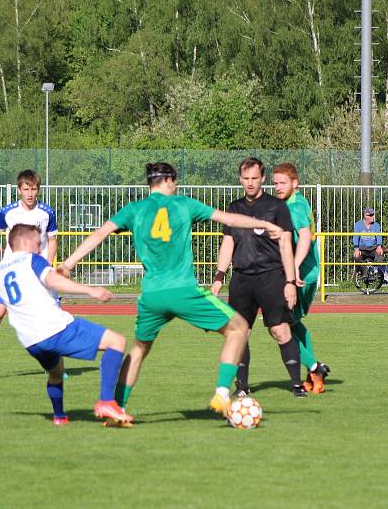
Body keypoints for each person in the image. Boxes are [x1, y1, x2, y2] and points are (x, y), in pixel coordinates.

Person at [59, 162, 285, 423]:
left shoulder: (134, 209)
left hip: (152, 296)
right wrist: (265, 224)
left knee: (140, 347)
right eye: (175, 182)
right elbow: (229, 218)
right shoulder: (184, 205)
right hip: (182, 290)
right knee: (239, 328)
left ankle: (116, 407)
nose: (176, 186)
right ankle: (222, 393)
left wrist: (69, 263)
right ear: (167, 180)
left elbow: (100, 233)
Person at [0, 224, 132, 426]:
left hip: (31, 342)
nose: (40, 248)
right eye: (38, 243)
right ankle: (107, 402)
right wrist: (90, 290)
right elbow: (54, 281)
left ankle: (59, 417)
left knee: (56, 373)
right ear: (26, 242)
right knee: (117, 341)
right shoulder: (32, 260)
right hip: (55, 329)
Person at [210, 157, 305, 398]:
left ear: (262, 178)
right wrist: (219, 277)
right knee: (240, 333)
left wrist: (290, 281)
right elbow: (228, 243)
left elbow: (285, 245)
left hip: (271, 277)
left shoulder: (276, 207)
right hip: (242, 280)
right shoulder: (235, 208)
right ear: (240, 179)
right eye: (246, 178)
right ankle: (242, 387)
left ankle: (297, 385)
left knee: (280, 331)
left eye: (255, 178)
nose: (250, 183)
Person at [0, 170, 58, 381]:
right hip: (11, 274)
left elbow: (53, 241)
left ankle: (54, 366)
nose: (30, 193)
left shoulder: (47, 213)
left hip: (36, 275)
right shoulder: (7, 212)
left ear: (38, 189)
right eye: (26, 189)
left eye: (34, 189)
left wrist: (48, 266)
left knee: (46, 320)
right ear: (19, 189)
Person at [272, 163, 331, 394]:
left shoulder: (294, 205)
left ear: (294, 183)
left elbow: (305, 237)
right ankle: (314, 370)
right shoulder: (297, 201)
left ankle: (316, 367)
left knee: (281, 325)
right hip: (308, 272)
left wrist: (293, 269)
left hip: (301, 275)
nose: (277, 187)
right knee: (294, 323)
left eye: (282, 183)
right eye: (275, 183)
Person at [353, 206, 386, 282]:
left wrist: (379, 246)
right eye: (370, 215)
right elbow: (355, 238)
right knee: (356, 256)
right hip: (362, 248)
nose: (373, 217)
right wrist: (356, 250)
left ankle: (373, 271)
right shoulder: (358, 225)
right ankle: (364, 270)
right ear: (365, 215)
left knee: (380, 256)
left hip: (373, 248)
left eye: (373, 215)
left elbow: (379, 236)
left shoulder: (376, 225)